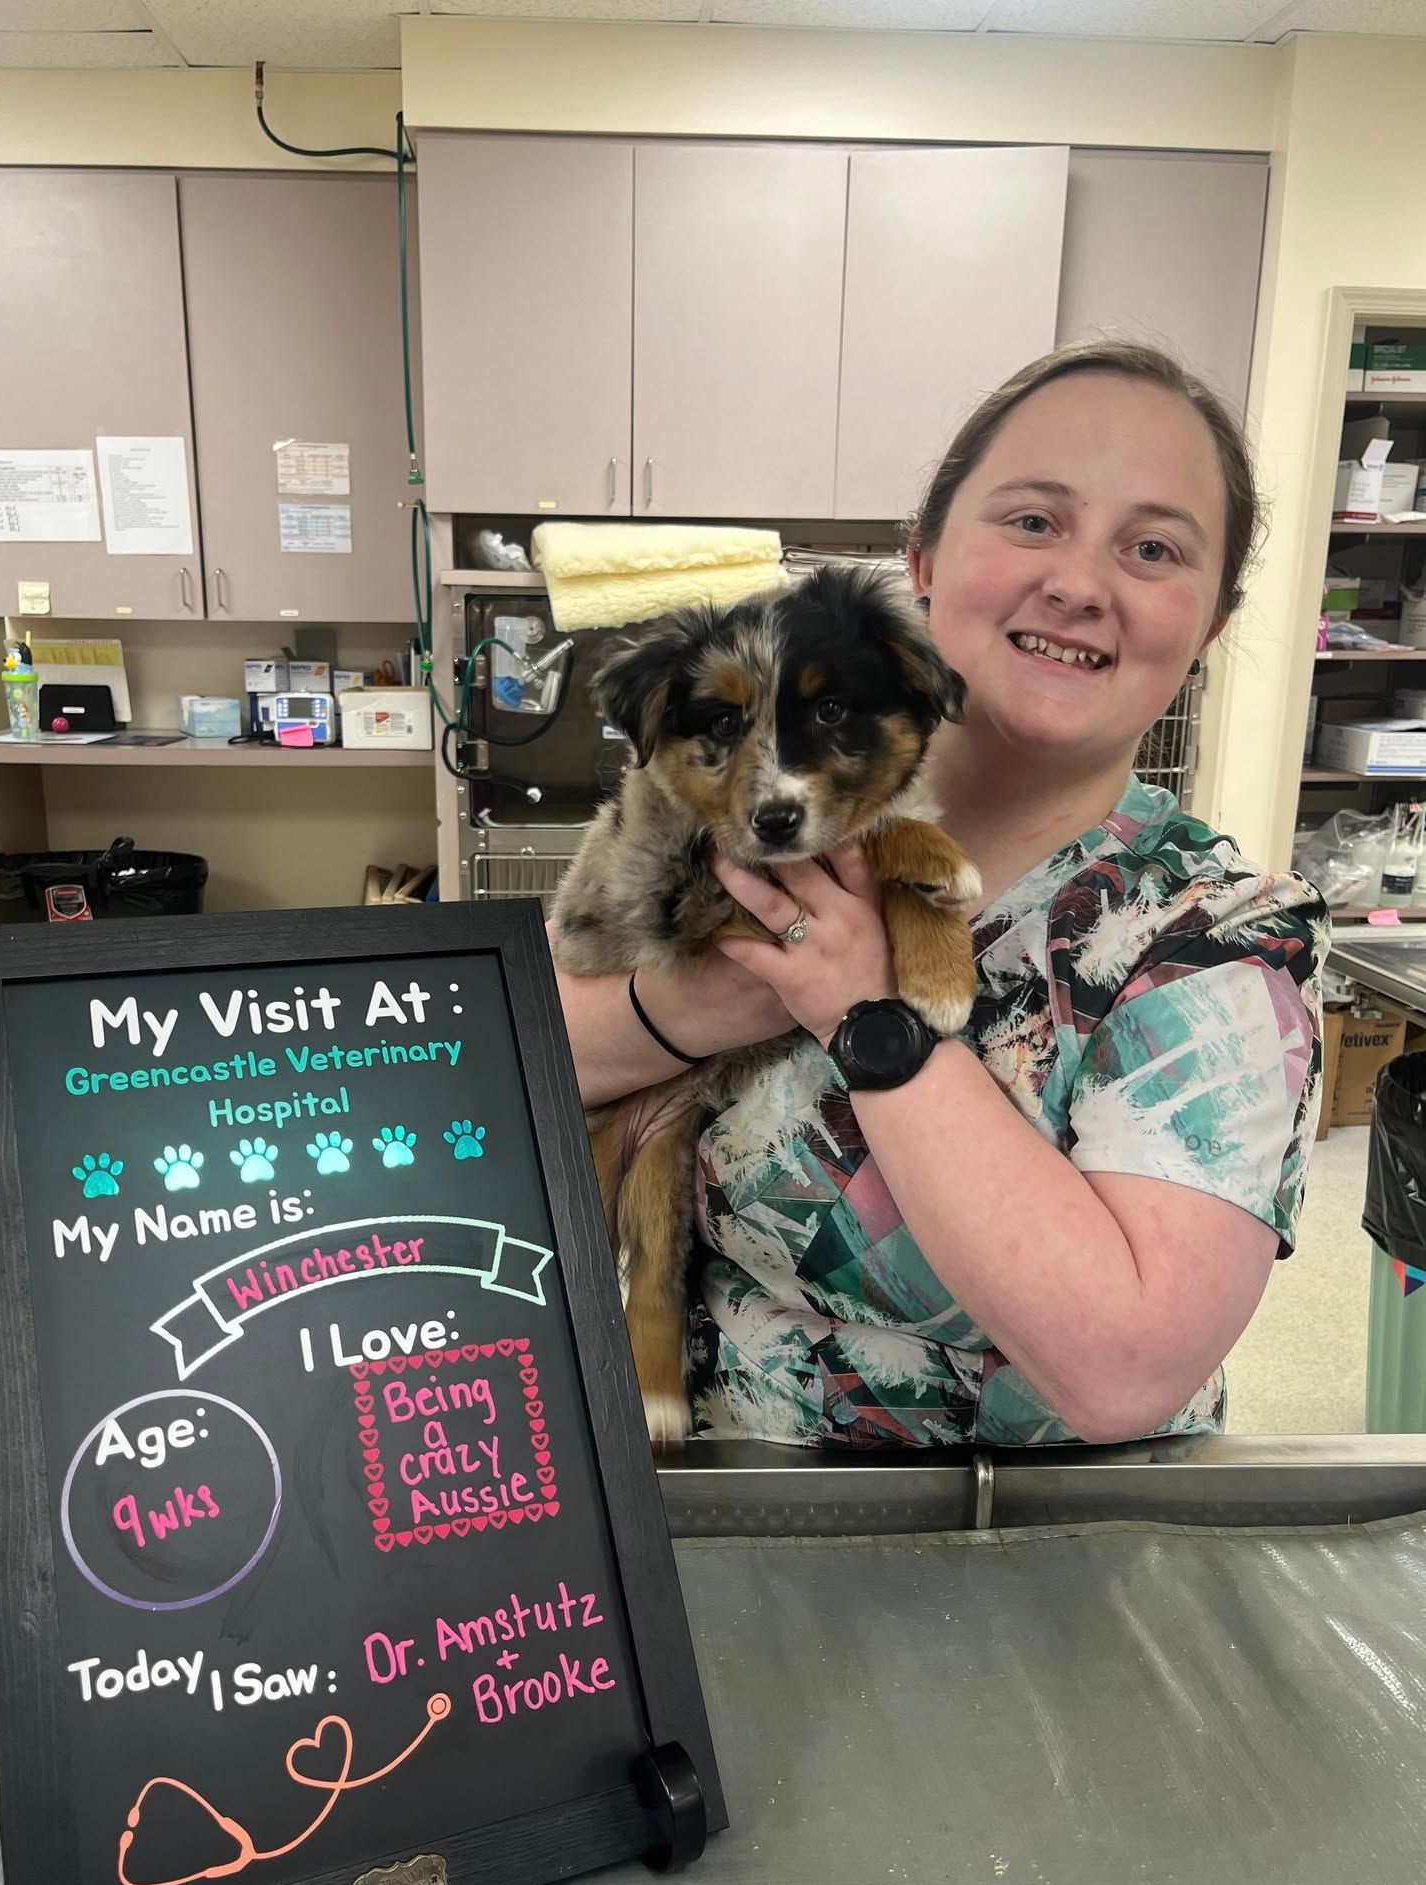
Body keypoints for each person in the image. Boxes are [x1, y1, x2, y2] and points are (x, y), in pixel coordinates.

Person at [554, 340, 1328, 1448]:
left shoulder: (1217, 939)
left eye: (1152, 547)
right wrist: (693, 1008)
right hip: (702, 1522)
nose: (1077, 582)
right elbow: (511, 1042)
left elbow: (1124, 1369)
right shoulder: (742, 815)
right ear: (921, 557)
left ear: (1207, 623)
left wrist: (870, 1017)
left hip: (1039, 1564)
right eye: (1032, 520)